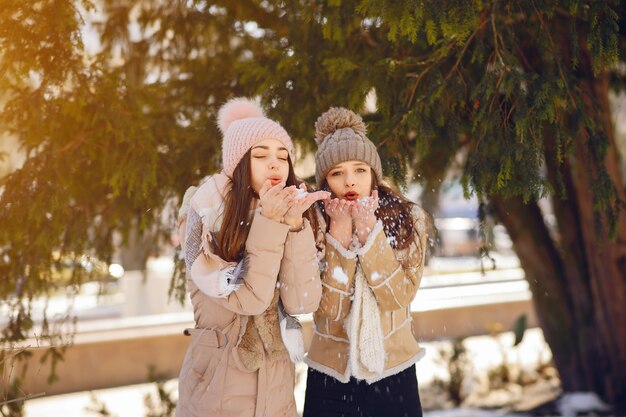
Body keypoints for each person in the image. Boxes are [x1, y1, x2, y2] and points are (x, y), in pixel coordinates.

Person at [175, 98, 329, 417]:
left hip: (277, 391)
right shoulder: (207, 215)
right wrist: (270, 223)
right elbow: (249, 300)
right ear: (239, 164)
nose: (275, 164)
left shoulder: (290, 212)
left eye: (282, 156)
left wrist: (295, 225)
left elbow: (303, 301)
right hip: (217, 391)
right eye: (260, 155)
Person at [303, 107, 431, 417]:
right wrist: (340, 236)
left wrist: (368, 230)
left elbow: (397, 296)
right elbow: (327, 308)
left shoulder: (406, 217)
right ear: (324, 181)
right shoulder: (312, 223)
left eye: (360, 169)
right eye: (337, 172)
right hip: (331, 375)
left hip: (394, 371)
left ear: (373, 172)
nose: (350, 181)